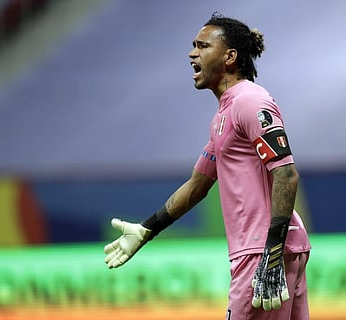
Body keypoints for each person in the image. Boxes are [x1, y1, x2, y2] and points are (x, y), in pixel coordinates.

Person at [104, 12, 311, 320]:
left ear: (229, 57)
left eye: (202, 46)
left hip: (263, 251)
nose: (192, 53)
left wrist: (272, 253)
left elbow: (285, 172)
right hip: (269, 249)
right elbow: (196, 185)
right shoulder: (223, 117)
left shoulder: (250, 102)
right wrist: (147, 229)